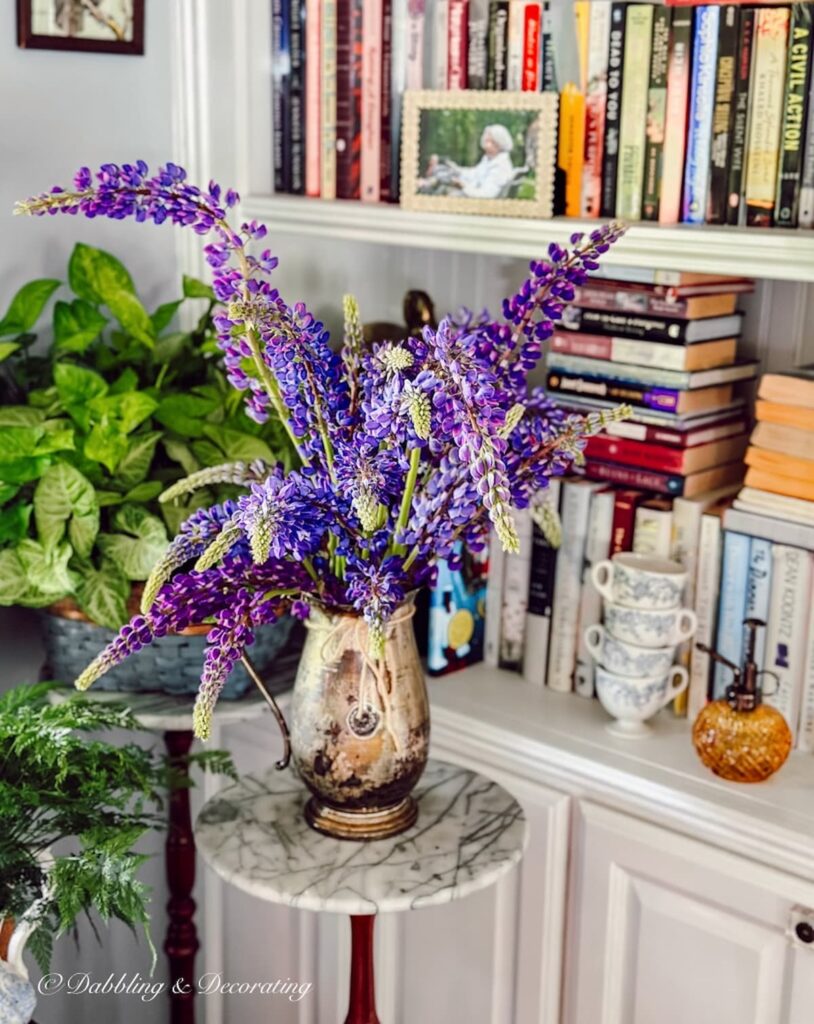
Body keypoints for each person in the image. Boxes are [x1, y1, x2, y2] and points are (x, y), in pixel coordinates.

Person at [419, 123, 517, 199]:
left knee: (443, 185)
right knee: (445, 171)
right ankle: (425, 183)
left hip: (476, 200)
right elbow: (475, 174)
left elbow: (487, 194)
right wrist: (458, 170)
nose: (484, 144)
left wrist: (462, 186)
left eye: (489, 142)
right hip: (471, 190)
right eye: (486, 140)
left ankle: (424, 186)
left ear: (499, 144)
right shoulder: (490, 159)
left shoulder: (500, 167)